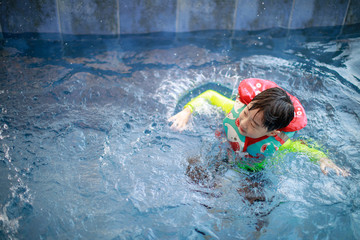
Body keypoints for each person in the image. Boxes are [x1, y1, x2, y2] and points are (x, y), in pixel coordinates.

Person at [168, 78, 348, 176]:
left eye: (253, 124)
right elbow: (209, 96)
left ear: (273, 132)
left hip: (251, 171)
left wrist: (322, 159)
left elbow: (304, 148)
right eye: (246, 113)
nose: (243, 123)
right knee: (194, 168)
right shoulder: (236, 110)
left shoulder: (276, 142)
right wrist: (188, 111)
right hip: (224, 148)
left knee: (256, 207)